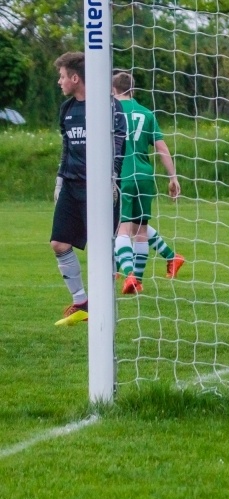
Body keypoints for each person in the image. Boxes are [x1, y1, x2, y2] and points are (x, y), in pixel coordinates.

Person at [52, 52, 126, 326]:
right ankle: (82, 302)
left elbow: (119, 142)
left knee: (102, 251)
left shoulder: (108, 106)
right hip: (71, 185)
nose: (59, 82)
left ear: (75, 78)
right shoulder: (67, 109)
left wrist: (111, 177)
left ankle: (105, 310)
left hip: (99, 188)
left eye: (62, 76)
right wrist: (60, 178)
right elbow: (66, 147)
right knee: (58, 243)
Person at [111, 71, 183, 295]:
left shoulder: (111, 111)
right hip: (144, 175)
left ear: (113, 90)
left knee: (120, 229)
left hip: (121, 174)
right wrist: (173, 177)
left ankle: (129, 273)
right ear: (133, 89)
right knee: (139, 229)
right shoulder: (146, 113)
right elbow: (161, 148)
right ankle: (137, 281)